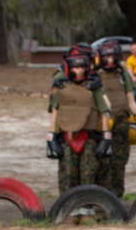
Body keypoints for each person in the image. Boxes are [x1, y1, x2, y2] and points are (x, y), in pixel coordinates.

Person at [46, 43, 111, 206]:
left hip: (89, 136)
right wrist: (52, 137)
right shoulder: (60, 84)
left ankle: (88, 208)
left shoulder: (93, 85)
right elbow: (54, 111)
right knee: (68, 176)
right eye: (77, 66)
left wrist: (106, 138)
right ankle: (68, 208)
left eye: (84, 66)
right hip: (67, 136)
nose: (81, 70)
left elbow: (105, 110)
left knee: (89, 175)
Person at [95, 40, 136, 197]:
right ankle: (103, 196)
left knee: (119, 162)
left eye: (112, 57)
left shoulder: (122, 75)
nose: (109, 60)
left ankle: (118, 196)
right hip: (102, 125)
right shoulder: (95, 76)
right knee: (103, 163)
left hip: (122, 123)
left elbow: (131, 100)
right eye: (106, 57)